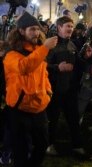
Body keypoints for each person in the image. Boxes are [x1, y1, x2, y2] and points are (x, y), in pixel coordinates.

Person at [3, 12, 58, 167]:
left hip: (39, 108)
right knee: (20, 150)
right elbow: (24, 67)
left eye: (37, 29)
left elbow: (44, 74)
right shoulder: (11, 54)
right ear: (21, 31)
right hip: (19, 110)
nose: (36, 33)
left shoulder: (39, 51)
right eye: (32, 29)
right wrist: (45, 48)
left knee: (42, 145)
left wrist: (48, 92)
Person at [46, 16, 85, 155]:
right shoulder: (51, 44)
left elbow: (78, 63)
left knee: (73, 118)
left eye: (71, 26)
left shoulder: (72, 44)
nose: (70, 29)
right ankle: (49, 145)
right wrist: (57, 67)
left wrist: (87, 61)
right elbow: (42, 65)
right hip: (54, 89)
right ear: (59, 28)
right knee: (53, 118)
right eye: (67, 26)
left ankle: (77, 145)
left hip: (70, 88)